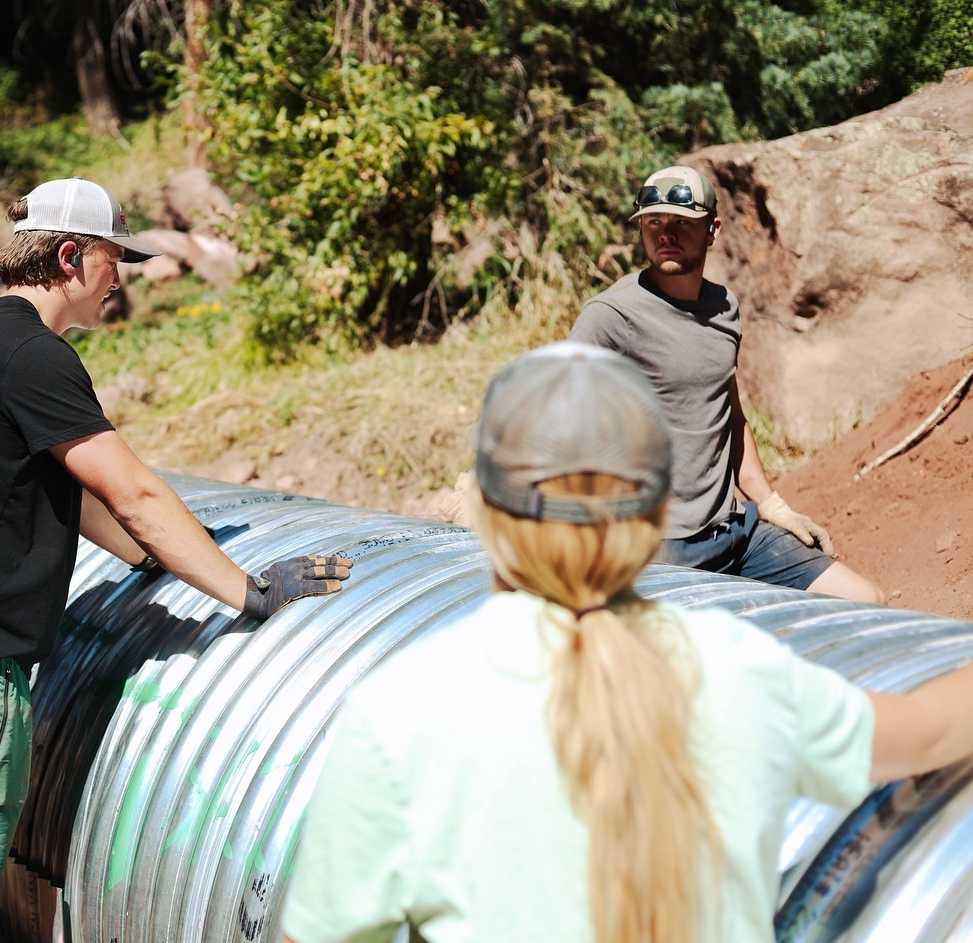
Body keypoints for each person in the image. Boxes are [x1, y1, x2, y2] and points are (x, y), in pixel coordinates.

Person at [282, 341, 973, 943]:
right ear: (652, 523)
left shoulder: (398, 712)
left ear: (485, 516)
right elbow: (929, 734)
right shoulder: (738, 667)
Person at [0, 178, 353, 943]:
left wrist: (148, 560)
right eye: (116, 259)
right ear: (71, 256)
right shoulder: (32, 354)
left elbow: (57, 487)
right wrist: (247, 591)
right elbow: (134, 491)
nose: (123, 278)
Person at [568, 165, 883, 602]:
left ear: (712, 229)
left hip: (733, 532)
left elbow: (729, 414)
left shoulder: (724, 308)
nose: (665, 234)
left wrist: (772, 505)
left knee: (865, 600)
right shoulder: (610, 317)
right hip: (658, 549)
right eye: (654, 222)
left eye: (682, 222)